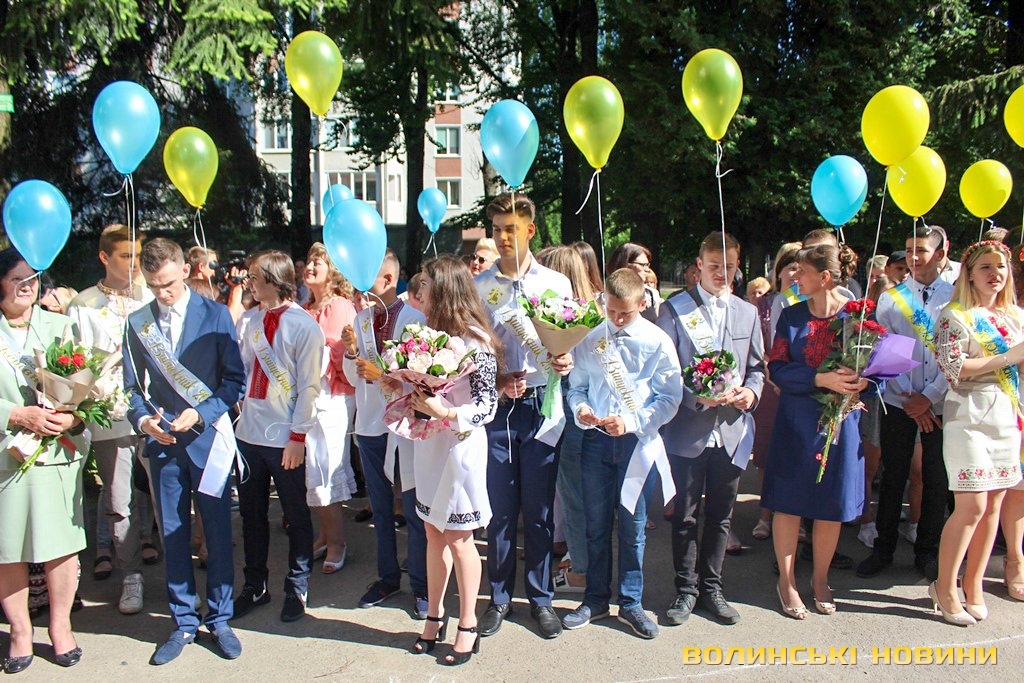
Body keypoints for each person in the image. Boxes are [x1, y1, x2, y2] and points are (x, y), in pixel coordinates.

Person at [123, 238, 245, 665]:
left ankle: (221, 619)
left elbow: (234, 382)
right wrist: (144, 421)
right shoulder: (138, 323)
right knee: (173, 535)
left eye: (169, 284)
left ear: (184, 270)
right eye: (154, 286)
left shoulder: (216, 315)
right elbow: (132, 388)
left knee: (218, 533)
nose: (163, 293)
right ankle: (183, 622)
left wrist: (202, 413)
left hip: (208, 442)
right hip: (164, 445)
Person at [385, 256, 501, 665]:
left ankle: (468, 623)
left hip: (460, 448)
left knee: (459, 537)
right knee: (433, 532)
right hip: (429, 445)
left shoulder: (476, 341)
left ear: (445, 290)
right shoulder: (426, 334)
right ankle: (434, 616)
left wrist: (446, 412)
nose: (419, 291)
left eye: (426, 284)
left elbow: (487, 405)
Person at [562, 268, 682, 638]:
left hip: (636, 446)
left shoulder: (657, 341)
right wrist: (582, 410)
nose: (616, 319)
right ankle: (596, 598)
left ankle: (631, 602)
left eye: (625, 313)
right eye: (611, 311)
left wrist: (631, 421)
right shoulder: (591, 337)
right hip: (596, 442)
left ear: (642, 303)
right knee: (595, 524)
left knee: (633, 527)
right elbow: (577, 388)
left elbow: (670, 398)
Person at [475, 192, 573, 640]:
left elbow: (568, 342)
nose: (502, 237)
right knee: (499, 511)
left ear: (530, 229)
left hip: (540, 406)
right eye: (496, 229)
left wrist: (565, 360)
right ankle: (498, 598)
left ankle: (541, 598)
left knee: (538, 510)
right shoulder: (480, 287)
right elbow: (470, 351)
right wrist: (496, 379)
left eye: (510, 229)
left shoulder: (555, 283)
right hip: (497, 410)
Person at [657, 232, 765, 627]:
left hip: (732, 430)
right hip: (689, 429)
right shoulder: (674, 309)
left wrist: (751, 394)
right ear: (699, 265)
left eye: (730, 267)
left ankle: (712, 588)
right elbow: (665, 372)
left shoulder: (747, 312)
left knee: (721, 515)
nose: (722, 273)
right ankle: (685, 589)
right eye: (715, 266)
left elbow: (757, 368)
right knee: (685, 516)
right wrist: (698, 398)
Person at [762, 244, 867, 619]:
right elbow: (777, 367)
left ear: (824, 277)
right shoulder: (791, 316)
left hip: (841, 422)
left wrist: (864, 381)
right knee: (789, 502)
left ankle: (820, 578)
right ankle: (787, 581)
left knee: (830, 505)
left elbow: (878, 368)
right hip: (797, 422)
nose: (795, 278)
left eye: (801, 271)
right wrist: (819, 379)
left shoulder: (857, 317)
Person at [0, 248, 89, 673]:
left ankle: (60, 627)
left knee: (60, 547)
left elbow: (85, 387)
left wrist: (73, 416)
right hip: (7, 455)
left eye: (33, 278)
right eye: (17, 279)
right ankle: (20, 633)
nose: (28, 286)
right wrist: (17, 414)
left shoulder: (60, 324)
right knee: (8, 549)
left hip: (56, 450)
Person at [67, 225, 158, 615]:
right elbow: (75, 363)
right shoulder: (84, 304)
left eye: (137, 255)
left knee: (164, 494)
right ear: (105, 257)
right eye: (125, 256)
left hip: (155, 410)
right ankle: (131, 576)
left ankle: (179, 578)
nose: (134, 263)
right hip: (111, 414)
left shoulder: (150, 295)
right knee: (120, 500)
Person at [932, 240, 1024, 625]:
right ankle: (945, 586)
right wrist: (1007, 357)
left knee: (994, 506)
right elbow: (953, 368)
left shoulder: (1015, 316)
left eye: (1000, 267)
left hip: (1006, 414)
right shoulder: (954, 315)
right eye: (985, 267)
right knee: (971, 506)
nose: (994, 274)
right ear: (968, 274)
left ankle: (974, 583)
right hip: (968, 416)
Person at [857, 226, 953, 582]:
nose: (914, 257)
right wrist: (911, 399)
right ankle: (883, 547)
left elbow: (956, 354)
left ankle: (927, 550)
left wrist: (929, 398)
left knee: (934, 478)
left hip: (939, 403)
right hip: (899, 402)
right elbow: (887, 354)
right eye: (909, 249)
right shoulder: (891, 298)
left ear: (941, 254)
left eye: (921, 250)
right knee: (893, 474)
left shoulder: (957, 296)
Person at [233, 251, 324, 624]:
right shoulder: (250, 321)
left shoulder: (304, 326)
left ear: (273, 280)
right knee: (252, 516)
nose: (249, 284)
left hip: (285, 438)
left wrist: (298, 436)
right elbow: (242, 370)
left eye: (254, 278)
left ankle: (297, 585)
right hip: (248, 435)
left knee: (295, 514)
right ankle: (255, 584)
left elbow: (310, 387)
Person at [341, 249, 429, 617]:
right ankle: (387, 576)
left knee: (412, 508)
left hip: (404, 425)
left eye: (367, 275)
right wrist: (349, 355)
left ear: (389, 279)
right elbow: (353, 379)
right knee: (379, 507)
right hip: (370, 424)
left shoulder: (415, 319)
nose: (359, 283)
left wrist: (385, 377)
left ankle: (422, 585)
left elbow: (423, 376)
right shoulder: (361, 319)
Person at [536, 246, 600, 593]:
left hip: (571, 411)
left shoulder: (566, 318)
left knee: (572, 492)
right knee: (583, 493)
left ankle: (581, 571)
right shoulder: (594, 313)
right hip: (590, 412)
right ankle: (583, 560)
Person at [302, 243, 358, 574]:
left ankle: (338, 542)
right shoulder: (305, 307)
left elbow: (343, 354)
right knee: (312, 469)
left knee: (326, 469)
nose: (310, 266)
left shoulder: (339, 306)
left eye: (318, 262)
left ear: (333, 271)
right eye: (309, 261)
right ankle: (324, 535)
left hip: (332, 396)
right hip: (307, 396)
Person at [751, 242, 802, 541]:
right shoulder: (764, 305)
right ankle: (764, 515)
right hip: (771, 385)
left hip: (800, 386)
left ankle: (796, 517)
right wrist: (772, 371)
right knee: (767, 453)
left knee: (797, 453)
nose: (796, 274)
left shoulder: (810, 303)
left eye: (801, 268)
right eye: (791, 267)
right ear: (779, 271)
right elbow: (756, 345)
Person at [608, 242, 661, 322]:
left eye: (647, 265)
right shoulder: (606, 296)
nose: (647, 269)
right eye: (642, 265)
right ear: (626, 264)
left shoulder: (651, 294)